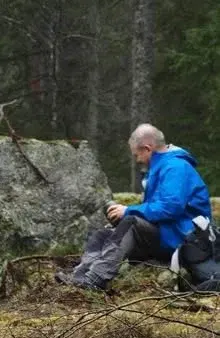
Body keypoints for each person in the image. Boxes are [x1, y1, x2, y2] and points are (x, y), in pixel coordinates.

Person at [56, 123, 212, 291]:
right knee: (104, 233)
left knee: (131, 223)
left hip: (184, 239)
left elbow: (170, 208)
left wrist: (128, 210)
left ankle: (95, 279)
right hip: (168, 233)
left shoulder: (175, 168)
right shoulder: (163, 167)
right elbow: (158, 208)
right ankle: (79, 276)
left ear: (147, 148)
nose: (137, 160)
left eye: (137, 155)